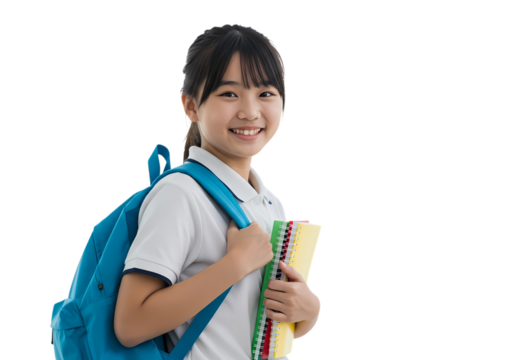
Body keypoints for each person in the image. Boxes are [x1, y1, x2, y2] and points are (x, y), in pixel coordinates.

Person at [114, 23, 321, 360]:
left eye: (265, 93)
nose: (250, 111)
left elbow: (251, 322)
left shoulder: (270, 203)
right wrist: (233, 265)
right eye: (229, 93)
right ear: (190, 106)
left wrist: (308, 313)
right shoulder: (181, 194)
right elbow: (131, 323)